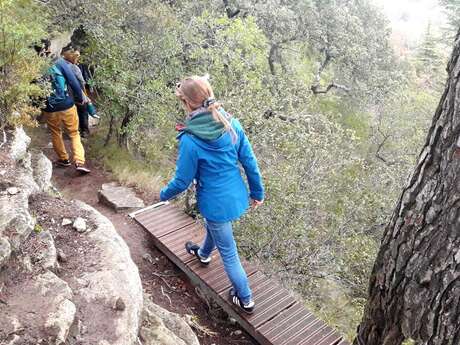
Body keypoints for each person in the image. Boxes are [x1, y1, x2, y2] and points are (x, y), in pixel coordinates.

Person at [160, 76, 264, 314]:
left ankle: (245, 298)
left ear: (187, 103)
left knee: (229, 252)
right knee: (216, 229)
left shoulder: (190, 139)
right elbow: (250, 162)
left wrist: (163, 195)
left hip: (215, 203)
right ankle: (204, 254)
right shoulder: (231, 123)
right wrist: (257, 192)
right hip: (237, 196)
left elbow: (182, 181)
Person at [42, 49, 91, 174]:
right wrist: (80, 98)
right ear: (48, 49)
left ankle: (64, 159)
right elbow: (73, 81)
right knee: (74, 133)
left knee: (55, 132)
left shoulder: (35, 65)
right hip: (66, 104)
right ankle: (79, 162)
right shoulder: (59, 62)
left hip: (49, 107)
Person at [61, 47, 91, 138]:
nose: (77, 60)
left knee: (71, 112)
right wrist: (85, 95)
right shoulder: (74, 68)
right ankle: (84, 131)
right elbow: (82, 82)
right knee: (83, 110)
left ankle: (72, 131)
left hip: (66, 94)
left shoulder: (60, 66)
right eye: (76, 58)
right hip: (76, 92)